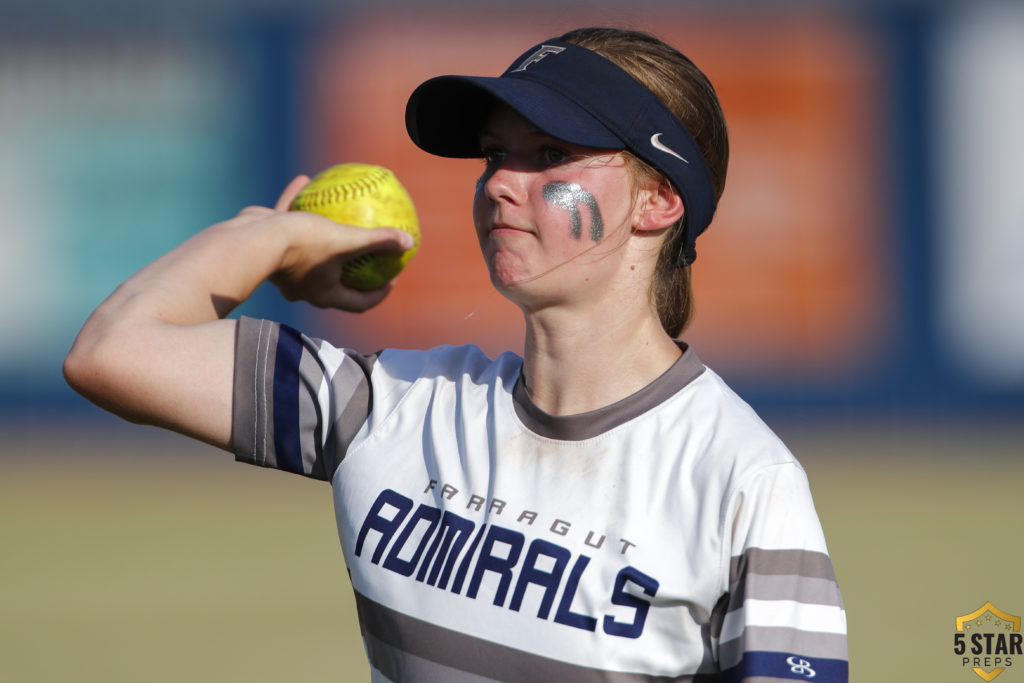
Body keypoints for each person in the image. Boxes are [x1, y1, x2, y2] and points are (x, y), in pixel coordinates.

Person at [65, 26, 848, 683]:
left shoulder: (743, 480)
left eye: (546, 155)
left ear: (659, 200)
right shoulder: (388, 406)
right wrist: (270, 239)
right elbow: (111, 351)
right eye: (492, 155)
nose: (501, 183)